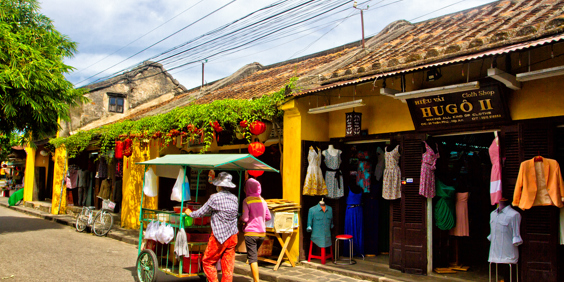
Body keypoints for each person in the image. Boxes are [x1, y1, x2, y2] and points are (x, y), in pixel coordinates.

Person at [185, 172, 239, 282]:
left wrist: (190, 213)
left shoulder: (215, 198)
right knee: (228, 267)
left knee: (208, 262)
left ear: (219, 185)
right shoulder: (234, 198)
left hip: (219, 237)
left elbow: (200, 213)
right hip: (232, 236)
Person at [241, 178, 271, 282]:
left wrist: (241, 218)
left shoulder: (247, 200)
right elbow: (268, 217)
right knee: (253, 256)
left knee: (252, 258)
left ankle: (256, 280)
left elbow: (245, 218)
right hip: (262, 233)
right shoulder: (263, 200)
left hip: (250, 233)